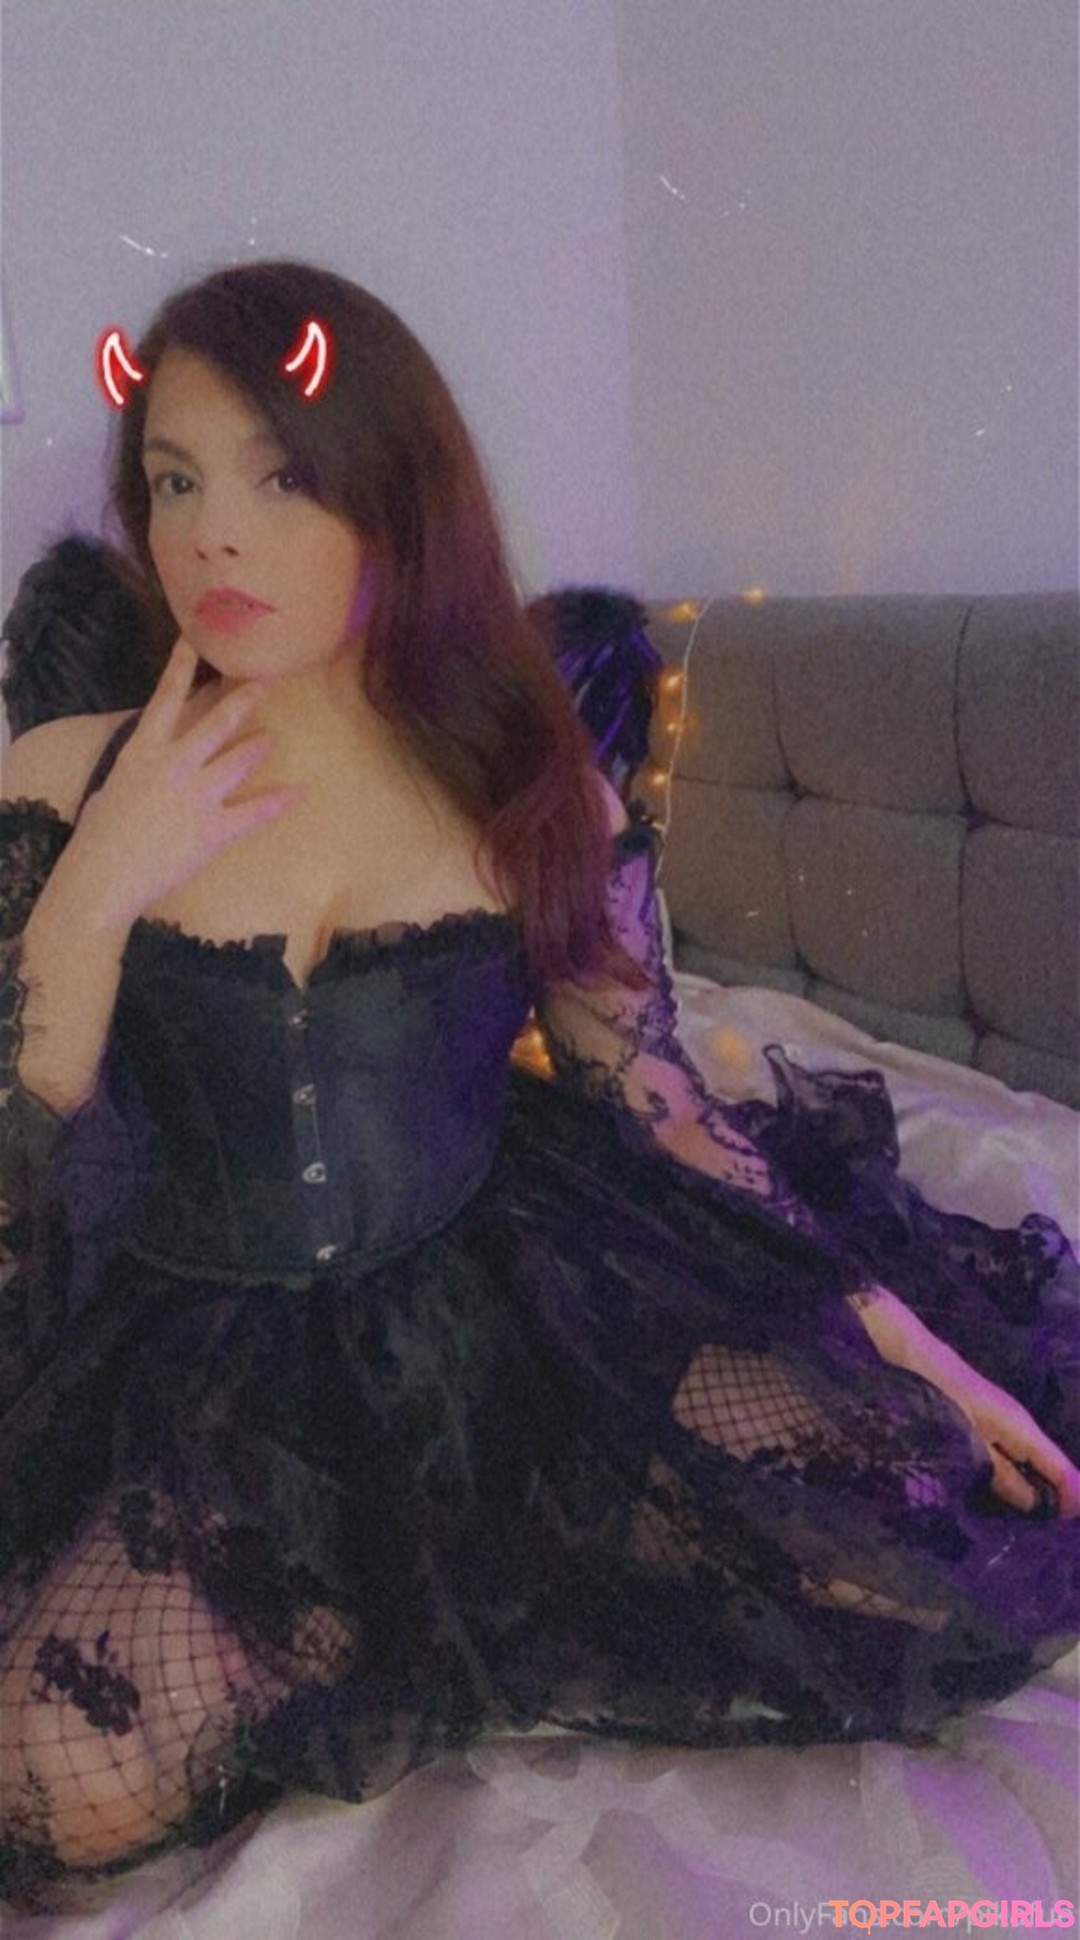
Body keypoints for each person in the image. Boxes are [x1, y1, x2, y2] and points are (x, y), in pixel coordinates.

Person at [0, 260, 1076, 1912]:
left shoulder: (520, 782)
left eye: (281, 478)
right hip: (201, 1350)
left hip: (509, 1306)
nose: (212, 537)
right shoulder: (65, 776)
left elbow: (659, 1107)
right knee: (41, 1785)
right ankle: (373, 1599)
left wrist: (903, 1331)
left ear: (394, 496)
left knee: (927, 1552)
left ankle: (460, 1581)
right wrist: (90, 899)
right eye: (176, 481)